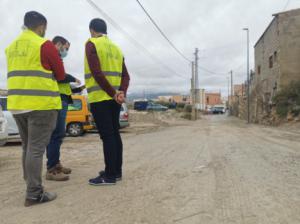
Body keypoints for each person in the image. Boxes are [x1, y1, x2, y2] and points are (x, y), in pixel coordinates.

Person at [5, 11, 65, 206]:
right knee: (36, 149)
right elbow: (61, 74)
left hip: (17, 105)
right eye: (44, 28)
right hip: (40, 105)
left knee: (28, 148)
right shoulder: (43, 44)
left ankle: (30, 184)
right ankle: (34, 193)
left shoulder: (11, 47)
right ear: (41, 26)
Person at [85, 18, 130, 186]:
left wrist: (112, 93)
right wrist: (121, 93)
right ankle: (116, 171)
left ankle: (109, 176)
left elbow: (96, 72)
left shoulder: (91, 44)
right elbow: (126, 76)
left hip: (100, 98)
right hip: (115, 100)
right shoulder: (117, 49)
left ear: (91, 30)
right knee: (115, 134)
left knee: (107, 136)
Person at [45, 36, 85, 181]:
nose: (66, 51)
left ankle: (56, 164)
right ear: (59, 44)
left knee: (57, 134)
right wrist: (73, 78)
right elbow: (60, 77)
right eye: (66, 48)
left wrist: (78, 88)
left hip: (61, 99)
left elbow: (63, 85)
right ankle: (52, 169)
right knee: (57, 134)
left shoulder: (58, 59)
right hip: (56, 99)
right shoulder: (52, 58)